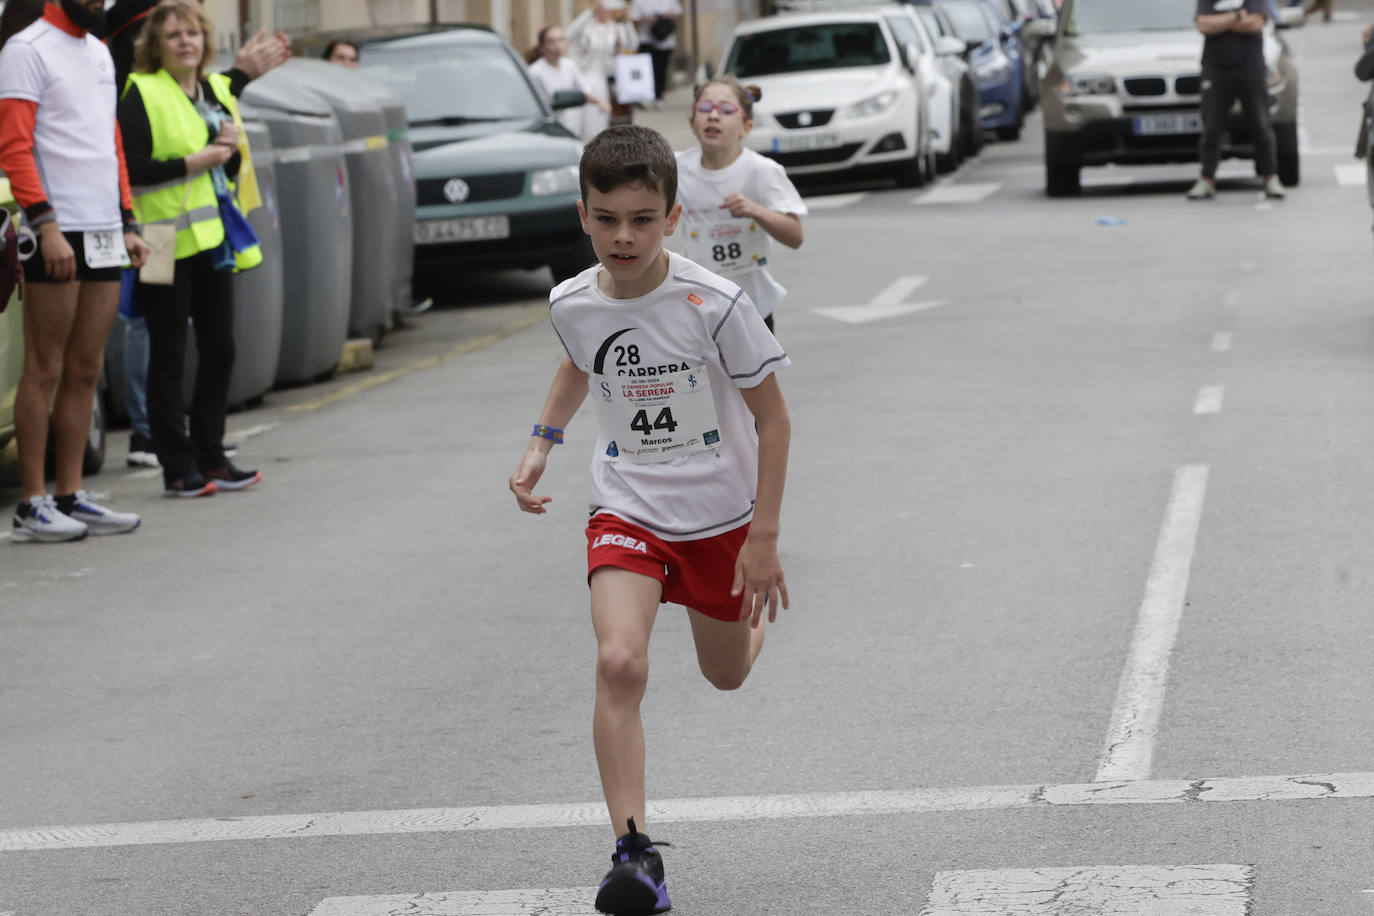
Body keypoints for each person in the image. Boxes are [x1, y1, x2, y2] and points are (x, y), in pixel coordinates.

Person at [507, 124, 791, 916]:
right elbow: (580, 357)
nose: (622, 237)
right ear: (583, 214)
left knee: (724, 673)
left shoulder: (715, 302)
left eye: (641, 218)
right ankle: (635, 855)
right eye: (606, 218)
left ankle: (747, 618)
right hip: (627, 506)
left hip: (720, 518)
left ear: (671, 216)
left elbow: (775, 421)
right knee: (620, 663)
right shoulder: (572, 299)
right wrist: (541, 444)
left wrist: (763, 539)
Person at [0, 0, 151, 543]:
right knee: (45, 365)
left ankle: (70, 493)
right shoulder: (25, 49)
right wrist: (45, 225)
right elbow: (15, 146)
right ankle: (32, 502)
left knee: (86, 367)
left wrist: (128, 218)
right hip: (56, 228)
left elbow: (109, 141)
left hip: (105, 225)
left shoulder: (99, 52)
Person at [118, 0, 263, 497]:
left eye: (193, 34)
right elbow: (131, 168)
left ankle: (212, 453)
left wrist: (223, 154)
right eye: (174, 35)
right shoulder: (141, 92)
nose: (186, 42)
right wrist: (195, 160)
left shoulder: (209, 91)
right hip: (161, 242)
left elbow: (223, 167)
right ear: (155, 46)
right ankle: (177, 467)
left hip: (210, 240)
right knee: (169, 354)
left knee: (221, 348)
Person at [674, 79, 805, 334]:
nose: (713, 116)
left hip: (752, 305)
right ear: (692, 122)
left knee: (756, 376)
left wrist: (754, 210)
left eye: (725, 110)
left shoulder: (762, 171)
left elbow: (795, 236)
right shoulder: (678, 167)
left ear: (746, 127)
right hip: (699, 305)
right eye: (704, 108)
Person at [1188, 0, 1285, 200]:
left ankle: (1270, 176)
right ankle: (1207, 178)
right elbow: (1204, 25)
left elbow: (1256, 24)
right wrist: (1237, 16)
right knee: (1212, 127)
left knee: (1261, 123)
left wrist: (1220, 23)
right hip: (1216, 69)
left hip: (1250, 67)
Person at [527, 25, 611, 141]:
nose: (557, 46)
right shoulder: (534, 72)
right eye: (551, 42)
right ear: (542, 46)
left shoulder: (569, 65)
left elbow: (584, 90)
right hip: (550, 130)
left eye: (561, 40)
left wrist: (600, 102)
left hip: (572, 126)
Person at [566, 0, 639, 132]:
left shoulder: (616, 28)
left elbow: (632, 44)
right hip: (578, 78)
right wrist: (590, 11)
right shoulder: (586, 26)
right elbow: (569, 33)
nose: (604, 11)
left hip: (600, 79)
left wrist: (627, 20)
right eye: (602, 6)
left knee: (596, 122)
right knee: (574, 122)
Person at [629, 0, 682, 107]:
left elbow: (678, 12)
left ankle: (659, 96)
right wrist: (647, 19)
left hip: (665, 40)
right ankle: (646, 96)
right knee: (646, 69)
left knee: (661, 68)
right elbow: (633, 17)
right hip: (646, 39)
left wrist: (662, 15)